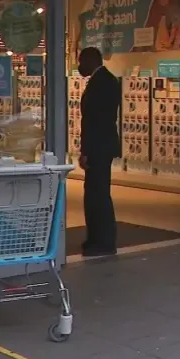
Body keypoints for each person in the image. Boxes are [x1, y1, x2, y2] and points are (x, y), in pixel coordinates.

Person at [77, 47, 121, 257]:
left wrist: (86, 150)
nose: (79, 66)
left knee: (97, 194)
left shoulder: (100, 83)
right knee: (98, 192)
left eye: (80, 61)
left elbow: (93, 121)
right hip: (103, 145)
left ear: (89, 61)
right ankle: (98, 239)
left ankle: (102, 241)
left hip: (98, 147)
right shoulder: (108, 80)